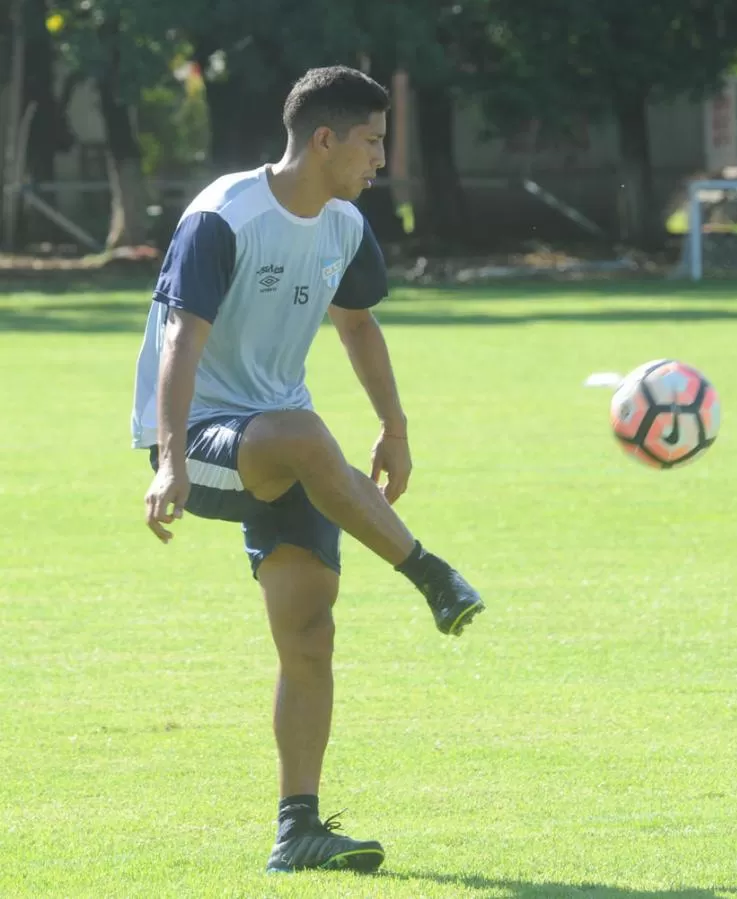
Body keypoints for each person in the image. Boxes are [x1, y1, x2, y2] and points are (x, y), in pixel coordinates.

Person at [130, 65, 485, 875]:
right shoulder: (225, 216)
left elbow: (356, 325)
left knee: (310, 635)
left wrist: (395, 427)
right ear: (324, 139)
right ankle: (429, 573)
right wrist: (171, 459)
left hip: (290, 447)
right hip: (203, 440)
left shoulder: (345, 227)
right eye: (372, 141)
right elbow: (182, 340)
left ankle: (299, 828)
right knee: (298, 429)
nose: (381, 160)